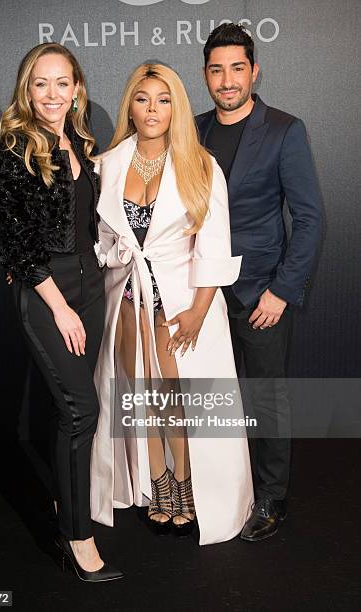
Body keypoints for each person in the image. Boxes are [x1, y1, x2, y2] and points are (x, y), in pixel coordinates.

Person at [90, 63, 253, 546]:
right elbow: (102, 238)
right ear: (130, 106)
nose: (152, 109)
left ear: (176, 106)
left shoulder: (200, 164)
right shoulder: (111, 163)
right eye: (143, 99)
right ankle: (158, 483)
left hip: (181, 304)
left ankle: (184, 483)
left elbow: (214, 245)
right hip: (126, 301)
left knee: (175, 403)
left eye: (163, 99)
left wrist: (200, 311)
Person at [0, 42, 122, 581]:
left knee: (69, 413)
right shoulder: (14, 148)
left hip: (90, 288)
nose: (51, 94)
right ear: (27, 89)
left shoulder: (79, 142)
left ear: (76, 88)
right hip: (49, 295)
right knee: (81, 411)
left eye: (61, 82)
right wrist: (61, 309)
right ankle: (77, 538)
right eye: (40, 83)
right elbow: (17, 243)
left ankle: (68, 507)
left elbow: (90, 224)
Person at [197, 23, 322, 541]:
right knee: (210, 400)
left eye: (237, 68)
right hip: (202, 295)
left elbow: (310, 217)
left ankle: (271, 498)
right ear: (206, 74)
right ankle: (215, 491)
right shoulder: (193, 129)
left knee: (265, 400)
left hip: (260, 294)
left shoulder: (284, 129)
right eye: (216, 69)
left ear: (254, 70)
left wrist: (282, 290)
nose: (227, 80)